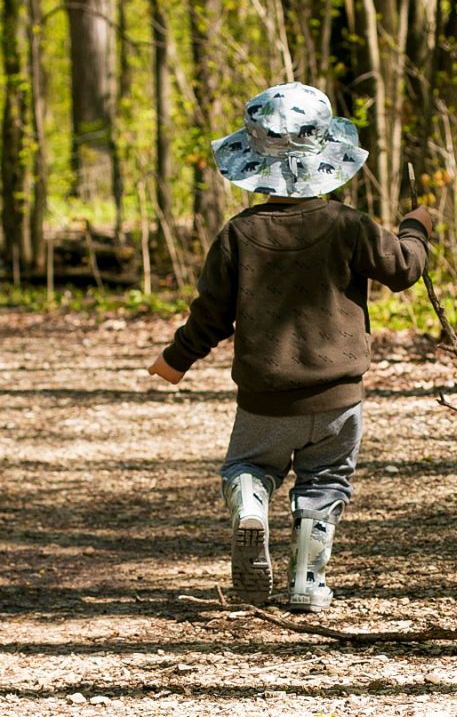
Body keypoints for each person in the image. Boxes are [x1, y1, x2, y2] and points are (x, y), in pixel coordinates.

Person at [148, 81, 432, 612]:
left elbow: (210, 315)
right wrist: (416, 227)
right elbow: (405, 268)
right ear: (327, 157)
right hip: (338, 399)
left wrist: (175, 360)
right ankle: (306, 583)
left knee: (248, 466)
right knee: (326, 480)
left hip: (265, 398)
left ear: (252, 160)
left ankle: (253, 506)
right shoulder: (349, 225)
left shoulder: (238, 235)